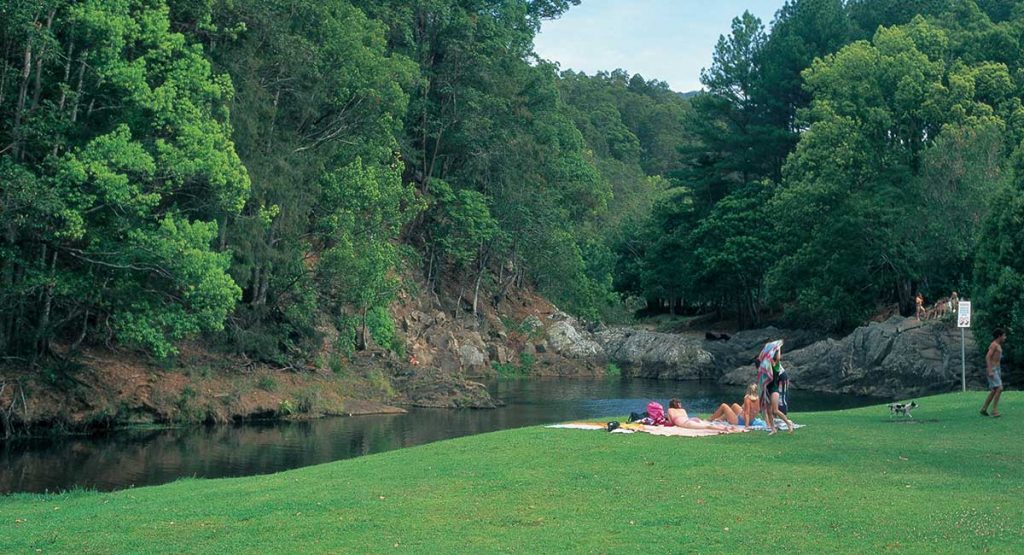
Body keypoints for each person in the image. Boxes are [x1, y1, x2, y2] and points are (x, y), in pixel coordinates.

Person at [764, 349, 796, 435]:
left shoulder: (776, 367)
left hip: (774, 390)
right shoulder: (766, 369)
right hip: (767, 390)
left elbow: (778, 358)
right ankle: (773, 429)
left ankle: (788, 423)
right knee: (769, 411)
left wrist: (778, 348)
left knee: (775, 410)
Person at [980, 328, 1006, 417]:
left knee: (994, 390)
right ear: (999, 336)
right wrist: (990, 370)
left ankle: (984, 409)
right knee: (1000, 388)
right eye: (1004, 335)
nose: (1005, 337)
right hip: (993, 369)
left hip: (997, 369)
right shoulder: (994, 345)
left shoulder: (998, 345)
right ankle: (994, 410)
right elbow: (987, 357)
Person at [667, 399, 735, 432]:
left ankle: (724, 429)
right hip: (692, 419)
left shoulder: (670, 410)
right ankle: (724, 427)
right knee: (708, 425)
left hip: (687, 423)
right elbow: (686, 418)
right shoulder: (683, 410)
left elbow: (671, 423)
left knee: (707, 426)